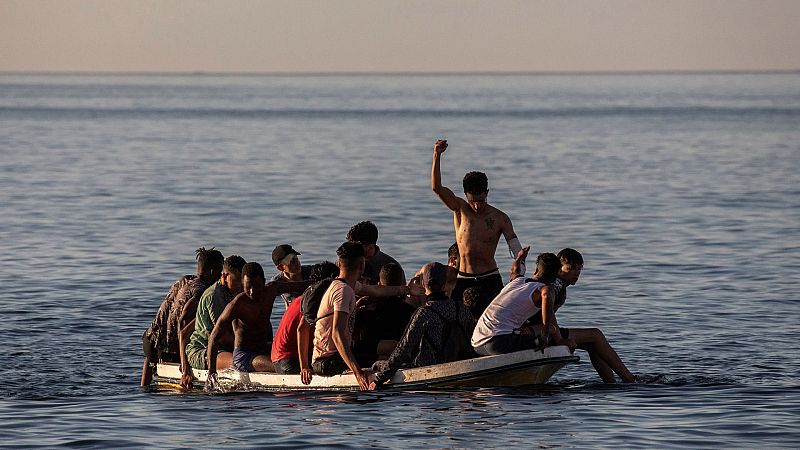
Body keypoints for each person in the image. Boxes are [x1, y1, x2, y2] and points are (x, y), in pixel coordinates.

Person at [307, 242, 423, 390]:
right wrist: (357, 373)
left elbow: (377, 291)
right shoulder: (343, 291)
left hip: (335, 355)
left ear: (339, 264)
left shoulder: (345, 284)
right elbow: (337, 333)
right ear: (361, 265)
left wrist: (407, 289)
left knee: (393, 346)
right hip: (328, 362)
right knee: (387, 358)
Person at [431, 139, 522, 316]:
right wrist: (437, 155)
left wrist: (520, 261)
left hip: (490, 277)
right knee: (456, 320)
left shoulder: (500, 218)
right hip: (463, 278)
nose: (477, 206)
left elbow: (515, 247)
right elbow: (437, 188)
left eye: (481, 200)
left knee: (497, 318)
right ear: (466, 196)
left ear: (487, 193)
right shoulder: (459, 209)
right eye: (473, 201)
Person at [370, 262, 476, 389]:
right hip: (459, 363)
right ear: (444, 285)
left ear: (424, 285)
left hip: (427, 367)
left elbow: (404, 348)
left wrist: (379, 379)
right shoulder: (461, 308)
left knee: (377, 365)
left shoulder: (424, 313)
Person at [206, 262, 312, 383]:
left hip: (264, 348)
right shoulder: (237, 305)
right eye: (248, 287)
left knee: (297, 358)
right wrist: (211, 372)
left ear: (264, 282)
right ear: (242, 283)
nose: (252, 292)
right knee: (284, 367)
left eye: (256, 286)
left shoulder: (271, 290)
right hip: (244, 356)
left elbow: (301, 286)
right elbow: (213, 336)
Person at [545, 248, 636, 383]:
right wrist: (559, 339)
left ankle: (611, 383)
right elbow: (548, 313)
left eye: (579, 269)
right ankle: (628, 378)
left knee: (592, 343)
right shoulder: (555, 286)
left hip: (546, 330)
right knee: (595, 335)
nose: (576, 273)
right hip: (542, 332)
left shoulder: (560, 285)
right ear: (559, 268)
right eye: (570, 268)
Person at [141, 247, 224, 386]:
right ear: (212, 271)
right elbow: (183, 322)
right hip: (169, 349)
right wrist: (185, 365)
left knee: (150, 366)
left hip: (150, 342)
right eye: (220, 271)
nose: (221, 275)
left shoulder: (185, 280)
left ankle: (143, 388)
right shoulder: (202, 291)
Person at [471, 248, 567, 356]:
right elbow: (547, 293)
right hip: (498, 344)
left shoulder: (517, 281)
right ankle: (536, 343)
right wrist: (545, 334)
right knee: (551, 329)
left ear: (536, 270)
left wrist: (520, 258)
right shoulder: (543, 289)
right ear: (555, 277)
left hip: (476, 343)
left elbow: (514, 270)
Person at [179, 255, 246, 388]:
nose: (240, 284)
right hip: (202, 350)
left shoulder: (235, 292)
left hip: (224, 348)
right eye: (236, 280)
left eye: (242, 280)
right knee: (239, 361)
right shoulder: (214, 296)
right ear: (224, 276)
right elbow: (221, 336)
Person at [271, 261, 339, 375]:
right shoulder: (313, 301)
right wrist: (304, 367)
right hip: (286, 359)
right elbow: (302, 330)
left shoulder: (314, 295)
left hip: (292, 354)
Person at [352, 262, 416, 366]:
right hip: (401, 361)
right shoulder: (411, 312)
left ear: (379, 285)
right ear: (402, 284)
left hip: (369, 361)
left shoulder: (365, 310)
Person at [346, 221, 403, 285]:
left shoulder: (390, 266)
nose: (353, 249)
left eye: (356, 246)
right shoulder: (346, 262)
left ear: (370, 246)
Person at [270, 244, 312, 308]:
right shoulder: (277, 282)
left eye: (296, 258)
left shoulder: (311, 272)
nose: (296, 263)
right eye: (291, 261)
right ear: (280, 267)